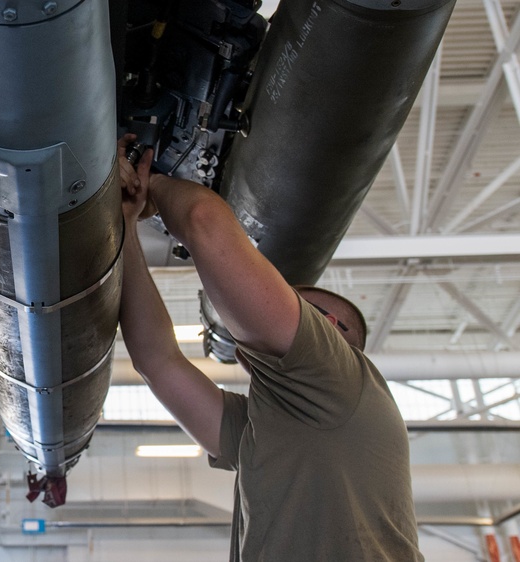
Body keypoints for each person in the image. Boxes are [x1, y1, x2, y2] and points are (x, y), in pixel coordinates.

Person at [116, 135, 422, 561]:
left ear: (330, 330)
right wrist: (126, 223)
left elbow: (204, 221)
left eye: (306, 311)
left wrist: (154, 188)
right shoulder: (273, 428)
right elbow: (157, 361)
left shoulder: (334, 371)